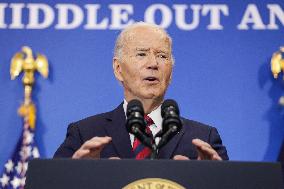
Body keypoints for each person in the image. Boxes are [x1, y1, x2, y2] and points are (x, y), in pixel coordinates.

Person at [54, 22, 229, 160]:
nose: (153, 63)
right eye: (141, 54)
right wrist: (76, 175)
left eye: (162, 56)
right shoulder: (84, 134)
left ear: (171, 73)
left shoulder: (203, 138)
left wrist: (210, 178)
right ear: (118, 69)